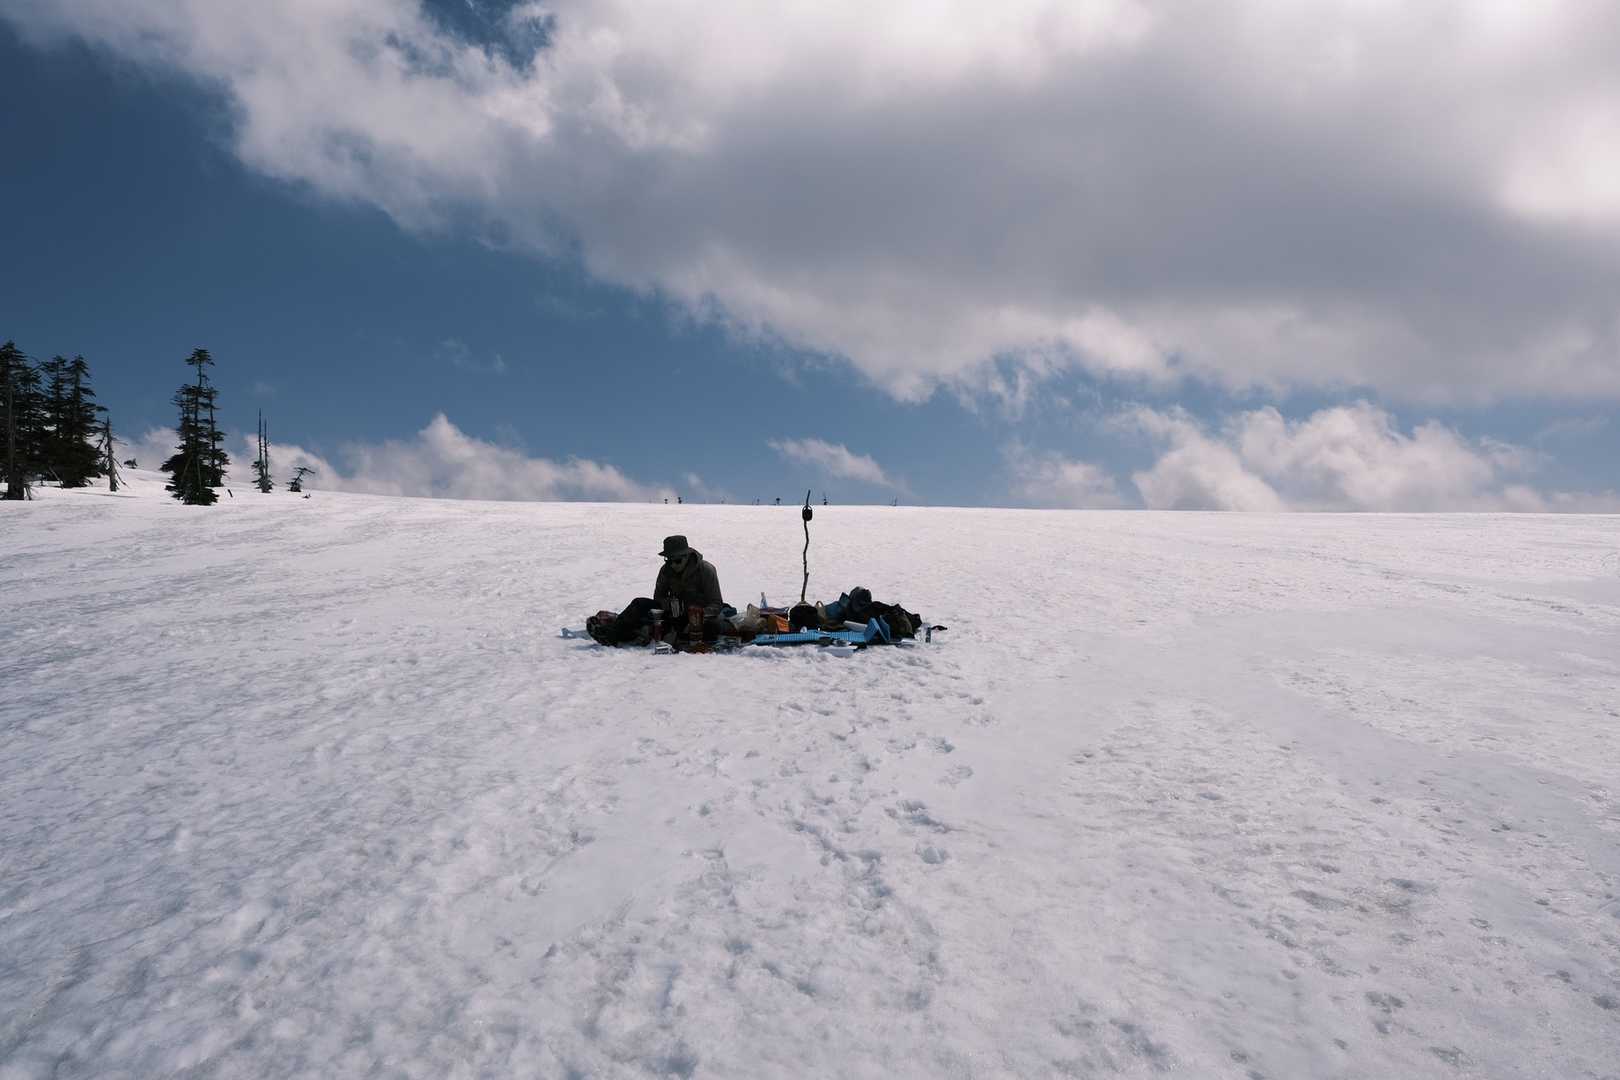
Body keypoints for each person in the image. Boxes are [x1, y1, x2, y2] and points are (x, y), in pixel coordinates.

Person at [595, 535, 725, 645]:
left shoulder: (706, 570)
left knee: (712, 628)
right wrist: (668, 604)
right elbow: (657, 598)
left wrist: (697, 617)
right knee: (639, 604)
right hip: (672, 614)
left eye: (677, 561)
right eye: (669, 561)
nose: (673, 565)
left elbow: (716, 603)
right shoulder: (665, 570)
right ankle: (612, 635)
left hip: (697, 618)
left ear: (687, 556)